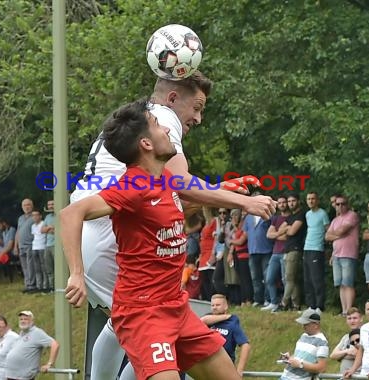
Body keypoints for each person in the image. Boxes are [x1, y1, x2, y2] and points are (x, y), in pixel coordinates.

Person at [68, 72, 276, 380]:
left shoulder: (163, 181)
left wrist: (225, 191)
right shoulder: (134, 187)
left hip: (175, 308)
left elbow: (182, 198)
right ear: (146, 142)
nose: (167, 127)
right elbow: (70, 213)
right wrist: (75, 273)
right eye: (157, 125)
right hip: (145, 311)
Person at [325, 194, 359, 316]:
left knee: (348, 283)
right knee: (340, 284)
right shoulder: (335, 220)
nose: (340, 206)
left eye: (343, 203)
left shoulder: (352, 215)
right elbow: (327, 236)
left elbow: (340, 231)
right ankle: (344, 310)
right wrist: (338, 235)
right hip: (336, 255)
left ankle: (349, 310)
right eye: (337, 204)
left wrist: (336, 234)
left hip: (348, 254)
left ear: (347, 204)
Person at [200, 294, 251, 376]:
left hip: (225, 367)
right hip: (207, 367)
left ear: (226, 306)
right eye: (212, 305)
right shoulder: (208, 320)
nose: (214, 307)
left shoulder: (232, 323)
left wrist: (240, 369)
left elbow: (245, 345)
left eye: (218, 305)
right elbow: (202, 320)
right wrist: (227, 316)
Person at [4, 311, 59, 380]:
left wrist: (49, 364)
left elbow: (55, 344)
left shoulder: (37, 332)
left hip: (23, 377)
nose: (23, 321)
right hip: (11, 376)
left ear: (32, 321)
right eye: (21, 319)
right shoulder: (22, 333)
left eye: (26, 319)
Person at [279, 310, 328, 380]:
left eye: (306, 324)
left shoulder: (322, 342)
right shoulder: (303, 336)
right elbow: (300, 357)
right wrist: (289, 358)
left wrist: (300, 365)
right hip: (285, 376)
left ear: (316, 325)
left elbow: (322, 368)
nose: (303, 326)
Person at [303, 191, 329, 312]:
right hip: (307, 248)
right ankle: (311, 305)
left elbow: (327, 230)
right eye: (308, 199)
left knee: (316, 278)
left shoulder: (322, 213)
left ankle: (319, 306)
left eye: (313, 199)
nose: (311, 201)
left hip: (317, 249)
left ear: (317, 200)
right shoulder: (307, 214)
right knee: (307, 279)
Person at [330, 307, 363, 373]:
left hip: (358, 375)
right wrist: (346, 351)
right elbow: (333, 355)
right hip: (343, 375)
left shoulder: (365, 335)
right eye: (349, 318)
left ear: (361, 319)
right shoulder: (345, 337)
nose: (352, 321)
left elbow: (356, 353)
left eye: (355, 318)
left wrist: (341, 355)